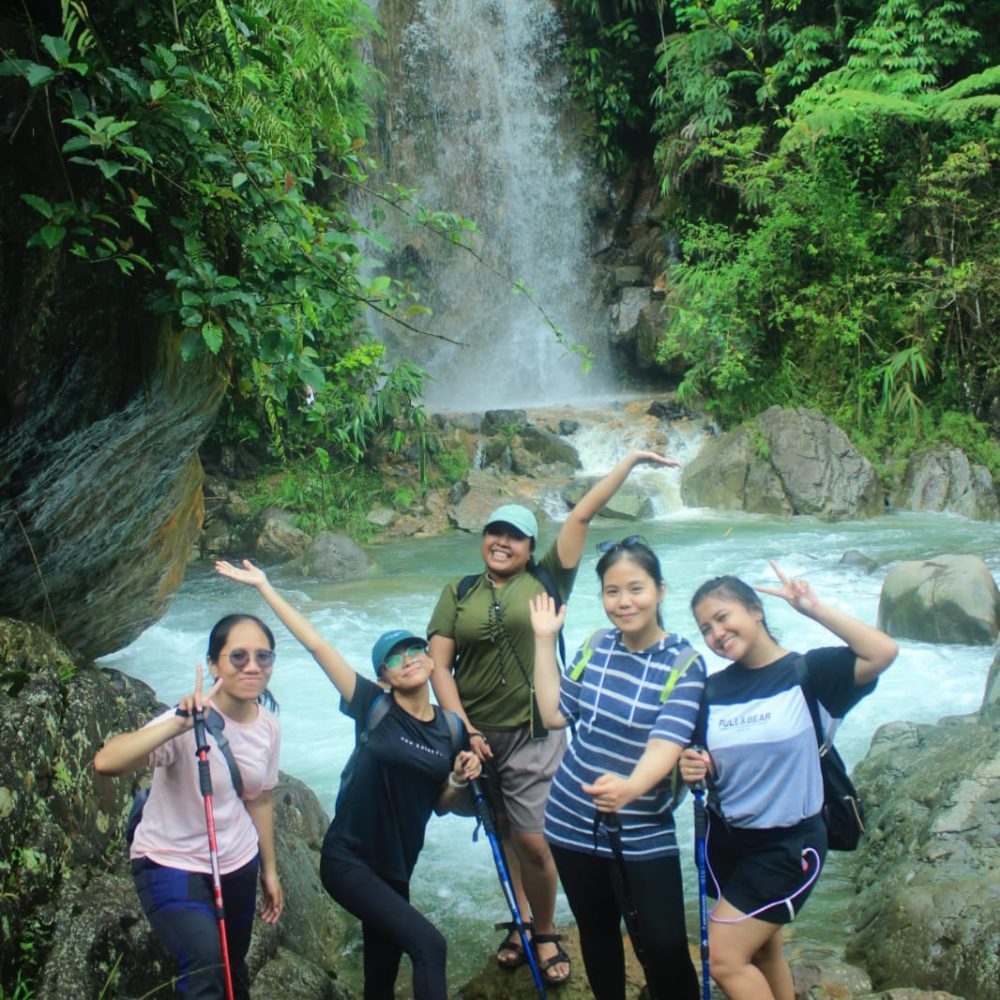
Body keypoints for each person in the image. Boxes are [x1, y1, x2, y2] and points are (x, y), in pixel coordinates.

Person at [427, 450, 679, 984]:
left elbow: (581, 517)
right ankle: (520, 922)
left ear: (529, 547)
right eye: (494, 532)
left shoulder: (547, 581)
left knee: (535, 840)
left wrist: (629, 463)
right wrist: (463, 729)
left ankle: (544, 929)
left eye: (514, 536)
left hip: (534, 731)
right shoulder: (458, 592)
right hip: (474, 733)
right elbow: (440, 667)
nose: (502, 542)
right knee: (503, 831)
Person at [215, 559, 481, 1000]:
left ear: (433, 661)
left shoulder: (451, 730)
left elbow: (440, 803)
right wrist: (265, 586)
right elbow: (317, 644)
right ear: (384, 677)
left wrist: (456, 778)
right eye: (395, 658)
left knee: (379, 978)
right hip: (349, 861)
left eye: (416, 650)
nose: (408, 659)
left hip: (397, 868)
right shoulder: (372, 706)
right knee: (430, 945)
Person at [679, 561, 899, 1000]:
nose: (716, 634)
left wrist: (812, 608)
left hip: (788, 847)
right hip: (729, 843)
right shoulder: (711, 691)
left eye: (723, 617)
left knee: (723, 958)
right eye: (706, 628)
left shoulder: (810, 674)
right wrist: (694, 766)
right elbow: (705, 761)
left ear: (755, 610)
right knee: (763, 953)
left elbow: (882, 652)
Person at [530, 536, 704, 1000]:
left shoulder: (684, 663)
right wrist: (545, 641)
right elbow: (553, 714)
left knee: (666, 944)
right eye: (612, 591)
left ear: (660, 591)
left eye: (636, 589)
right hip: (569, 818)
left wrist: (631, 788)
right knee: (597, 931)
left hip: (644, 824)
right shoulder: (596, 646)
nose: (624, 602)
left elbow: (666, 745)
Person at [93, 615, 284, 1000]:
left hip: (238, 860)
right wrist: (177, 725)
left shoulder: (267, 726)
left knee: (233, 965)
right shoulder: (185, 723)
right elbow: (106, 762)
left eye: (263, 656)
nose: (252, 666)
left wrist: (270, 871)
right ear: (213, 665)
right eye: (239, 656)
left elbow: (260, 799)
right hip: (171, 861)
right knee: (206, 967)